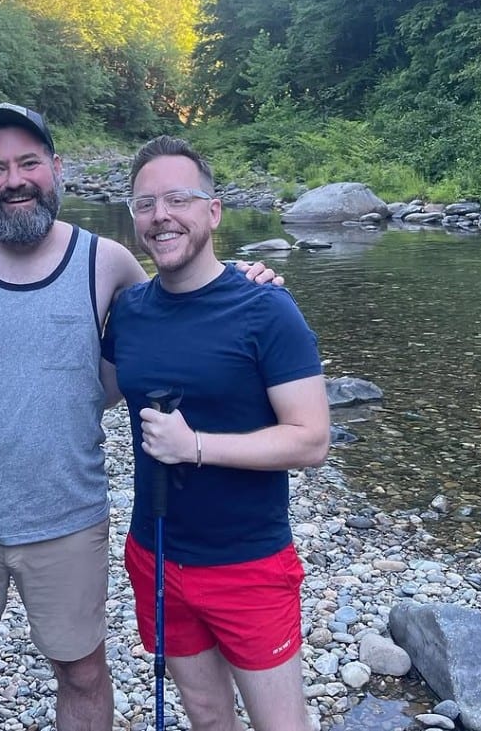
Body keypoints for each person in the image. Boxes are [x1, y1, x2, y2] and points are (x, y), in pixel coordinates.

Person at [0, 103, 280, 731]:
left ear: (56, 168)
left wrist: (245, 278)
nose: (14, 179)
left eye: (28, 162)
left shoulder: (108, 264)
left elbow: (183, 302)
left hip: (68, 516)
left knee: (81, 670)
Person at [100, 135, 331, 731]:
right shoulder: (129, 311)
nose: (161, 216)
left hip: (248, 561)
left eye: (178, 198)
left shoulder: (266, 307)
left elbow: (311, 439)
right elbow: (90, 393)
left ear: (213, 210)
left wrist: (195, 447)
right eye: (145, 204)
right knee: (205, 714)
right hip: (155, 553)